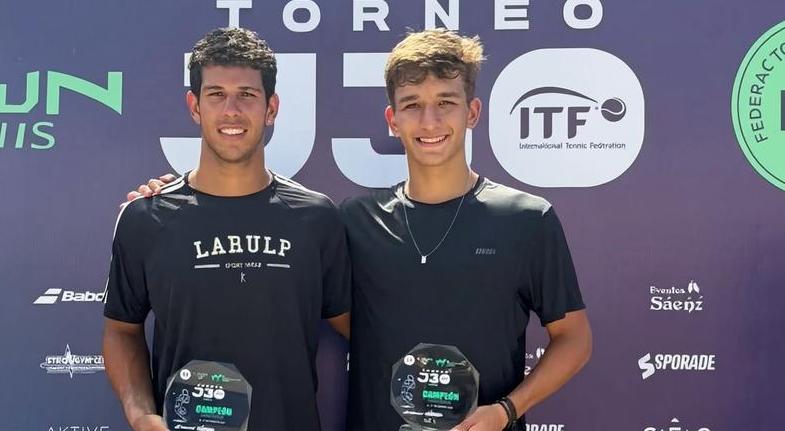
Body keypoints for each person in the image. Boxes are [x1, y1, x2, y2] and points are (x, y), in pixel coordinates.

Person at [131, 29, 592, 431]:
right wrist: (168, 199)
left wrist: (507, 410)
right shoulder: (350, 220)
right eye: (412, 105)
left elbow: (574, 338)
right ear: (392, 120)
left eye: (445, 104)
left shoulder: (527, 218)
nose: (429, 122)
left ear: (472, 113)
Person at [102, 27, 350, 431]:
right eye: (216, 94)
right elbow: (121, 330)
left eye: (247, 96)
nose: (231, 110)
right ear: (194, 106)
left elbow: (373, 331)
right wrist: (141, 413)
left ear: (272, 108)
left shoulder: (316, 218)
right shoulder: (146, 218)